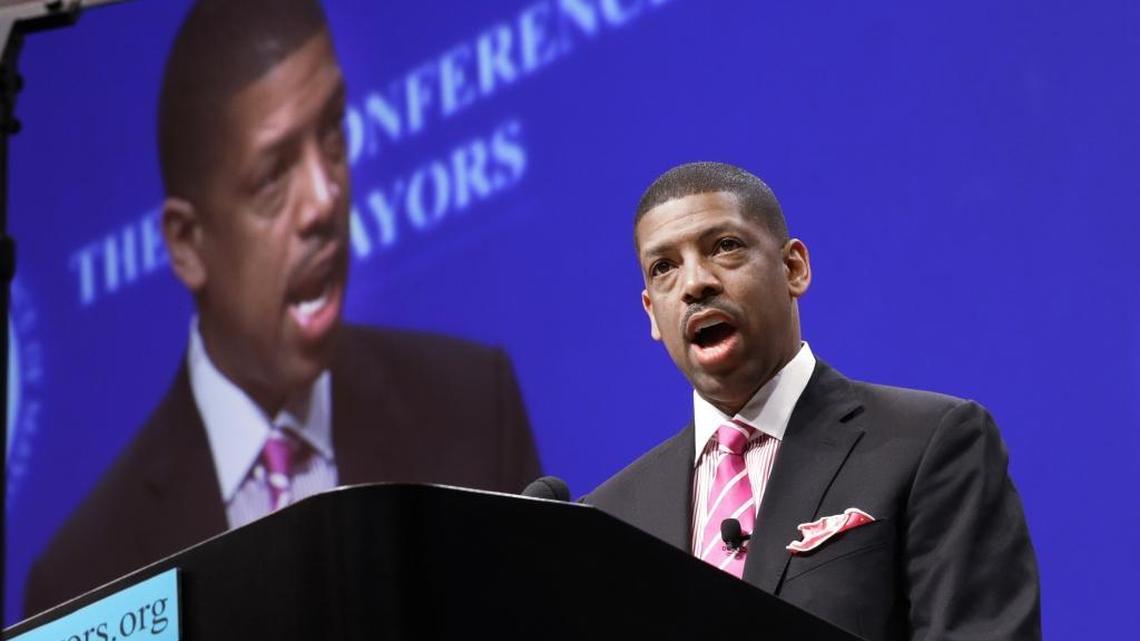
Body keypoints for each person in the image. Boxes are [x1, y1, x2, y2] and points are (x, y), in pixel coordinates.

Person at [23, 0, 540, 617]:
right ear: (189, 244)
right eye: (273, 177)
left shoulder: (474, 410)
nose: (325, 200)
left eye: (333, 133)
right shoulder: (84, 573)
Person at [583, 162, 1040, 641]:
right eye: (664, 268)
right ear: (652, 313)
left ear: (793, 268)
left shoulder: (929, 442)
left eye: (725, 247)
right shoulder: (610, 518)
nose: (695, 283)